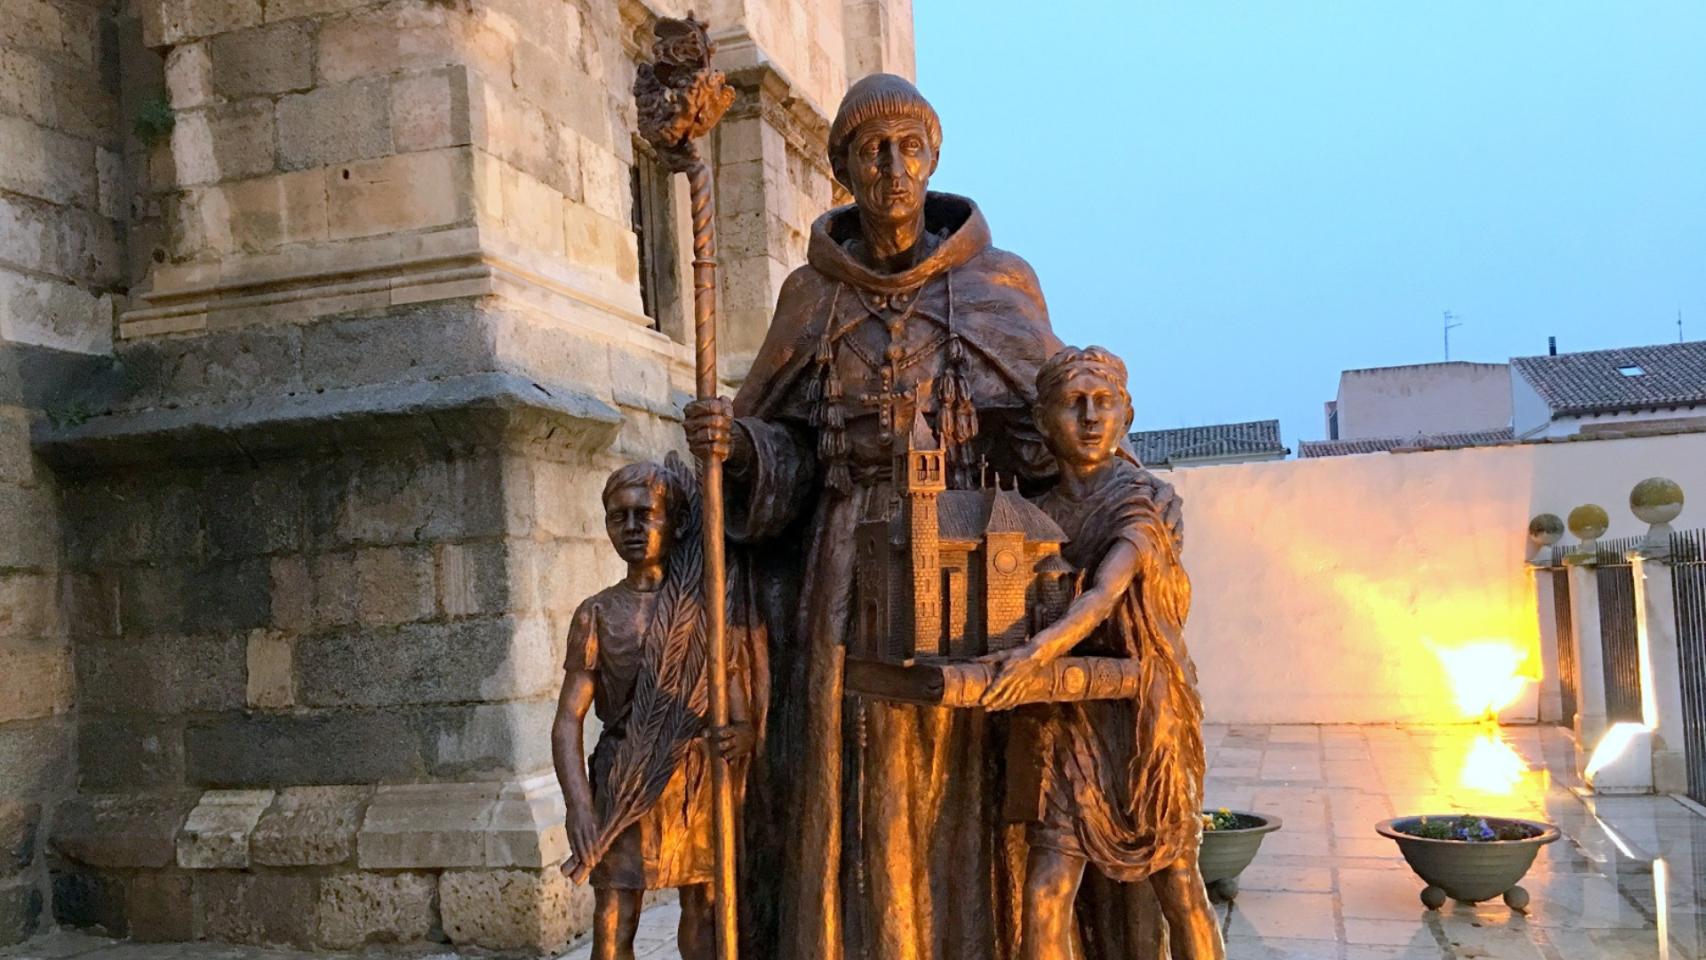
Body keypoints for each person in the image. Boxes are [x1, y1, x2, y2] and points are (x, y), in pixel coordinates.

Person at [684, 73, 1097, 959]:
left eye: (910, 147)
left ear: (933, 158)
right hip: (843, 564)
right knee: (852, 768)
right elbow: (787, 448)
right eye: (872, 151)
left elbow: (1058, 424)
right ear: (844, 169)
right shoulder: (811, 298)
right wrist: (743, 448)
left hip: (967, 555)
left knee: (960, 769)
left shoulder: (999, 284)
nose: (892, 167)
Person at [979, 346, 1222, 960]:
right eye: (1073, 403)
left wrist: (1035, 653)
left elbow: (1105, 593)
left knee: (1178, 884)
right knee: (1045, 888)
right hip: (1073, 717)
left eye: (1104, 402)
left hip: (1146, 714)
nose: (1090, 417)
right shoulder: (1040, 514)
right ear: (1043, 422)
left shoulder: (1144, 498)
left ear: (1127, 415)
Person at [551, 458, 755, 960]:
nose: (633, 528)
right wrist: (579, 805)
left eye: (646, 513)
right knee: (615, 916)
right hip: (623, 777)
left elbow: (731, 691)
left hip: (693, 780)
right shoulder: (596, 612)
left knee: (705, 910)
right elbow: (567, 721)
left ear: (676, 522)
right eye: (619, 517)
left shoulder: (702, 606)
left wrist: (743, 732)